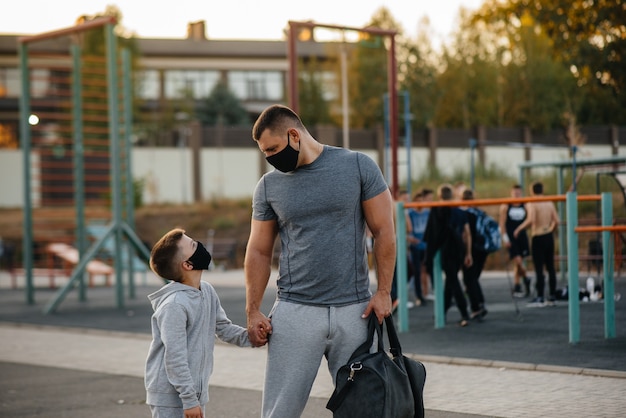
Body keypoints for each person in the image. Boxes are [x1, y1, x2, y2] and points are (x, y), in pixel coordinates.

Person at [244, 104, 396, 418]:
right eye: (264, 152)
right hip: (295, 313)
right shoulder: (269, 186)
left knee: (363, 410)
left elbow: (384, 230)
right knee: (279, 412)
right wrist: (253, 308)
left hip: (355, 313)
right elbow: (258, 250)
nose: (270, 157)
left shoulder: (358, 166)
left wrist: (383, 291)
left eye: (273, 149)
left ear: (294, 135)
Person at [145, 228, 252, 418]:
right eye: (194, 245)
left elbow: (224, 328)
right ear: (188, 264)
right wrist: (189, 400)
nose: (200, 246)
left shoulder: (206, 290)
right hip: (171, 398)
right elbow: (174, 357)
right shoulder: (174, 306)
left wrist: (254, 337)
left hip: (194, 394)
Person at [424, 183, 472, 327]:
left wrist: (429, 255)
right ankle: (443, 311)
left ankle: (464, 312)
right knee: (451, 282)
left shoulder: (437, 210)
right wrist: (468, 253)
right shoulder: (459, 212)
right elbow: (467, 234)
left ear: (439, 196)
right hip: (459, 249)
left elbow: (432, 234)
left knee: (453, 281)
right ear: (452, 196)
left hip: (446, 250)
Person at [514, 182, 560, 307]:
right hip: (548, 235)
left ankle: (540, 295)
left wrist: (519, 228)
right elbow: (557, 220)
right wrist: (550, 229)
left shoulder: (532, 202)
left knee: (539, 268)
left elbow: (531, 220)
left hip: (538, 236)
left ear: (532, 191)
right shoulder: (549, 202)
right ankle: (552, 295)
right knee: (550, 266)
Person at [499, 184, 531, 298]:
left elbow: (530, 218)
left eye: (518, 193)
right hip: (511, 237)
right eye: (515, 193)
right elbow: (502, 224)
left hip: (522, 236)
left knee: (519, 261)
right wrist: (505, 238)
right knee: (517, 259)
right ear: (511, 193)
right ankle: (526, 278)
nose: (516, 195)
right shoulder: (506, 206)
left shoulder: (525, 204)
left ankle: (517, 285)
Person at [461, 189, 488, 320]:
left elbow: (467, 235)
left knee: (469, 278)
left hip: (472, 249)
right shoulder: (481, 212)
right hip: (483, 248)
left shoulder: (465, 214)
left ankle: (476, 307)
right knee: (474, 278)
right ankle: (480, 302)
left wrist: (467, 253)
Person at [407, 189, 430, 306]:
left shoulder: (427, 213)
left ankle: (425, 293)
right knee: (416, 271)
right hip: (416, 246)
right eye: (418, 201)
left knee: (425, 270)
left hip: (425, 246)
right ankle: (419, 294)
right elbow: (408, 229)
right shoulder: (410, 213)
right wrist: (410, 238)